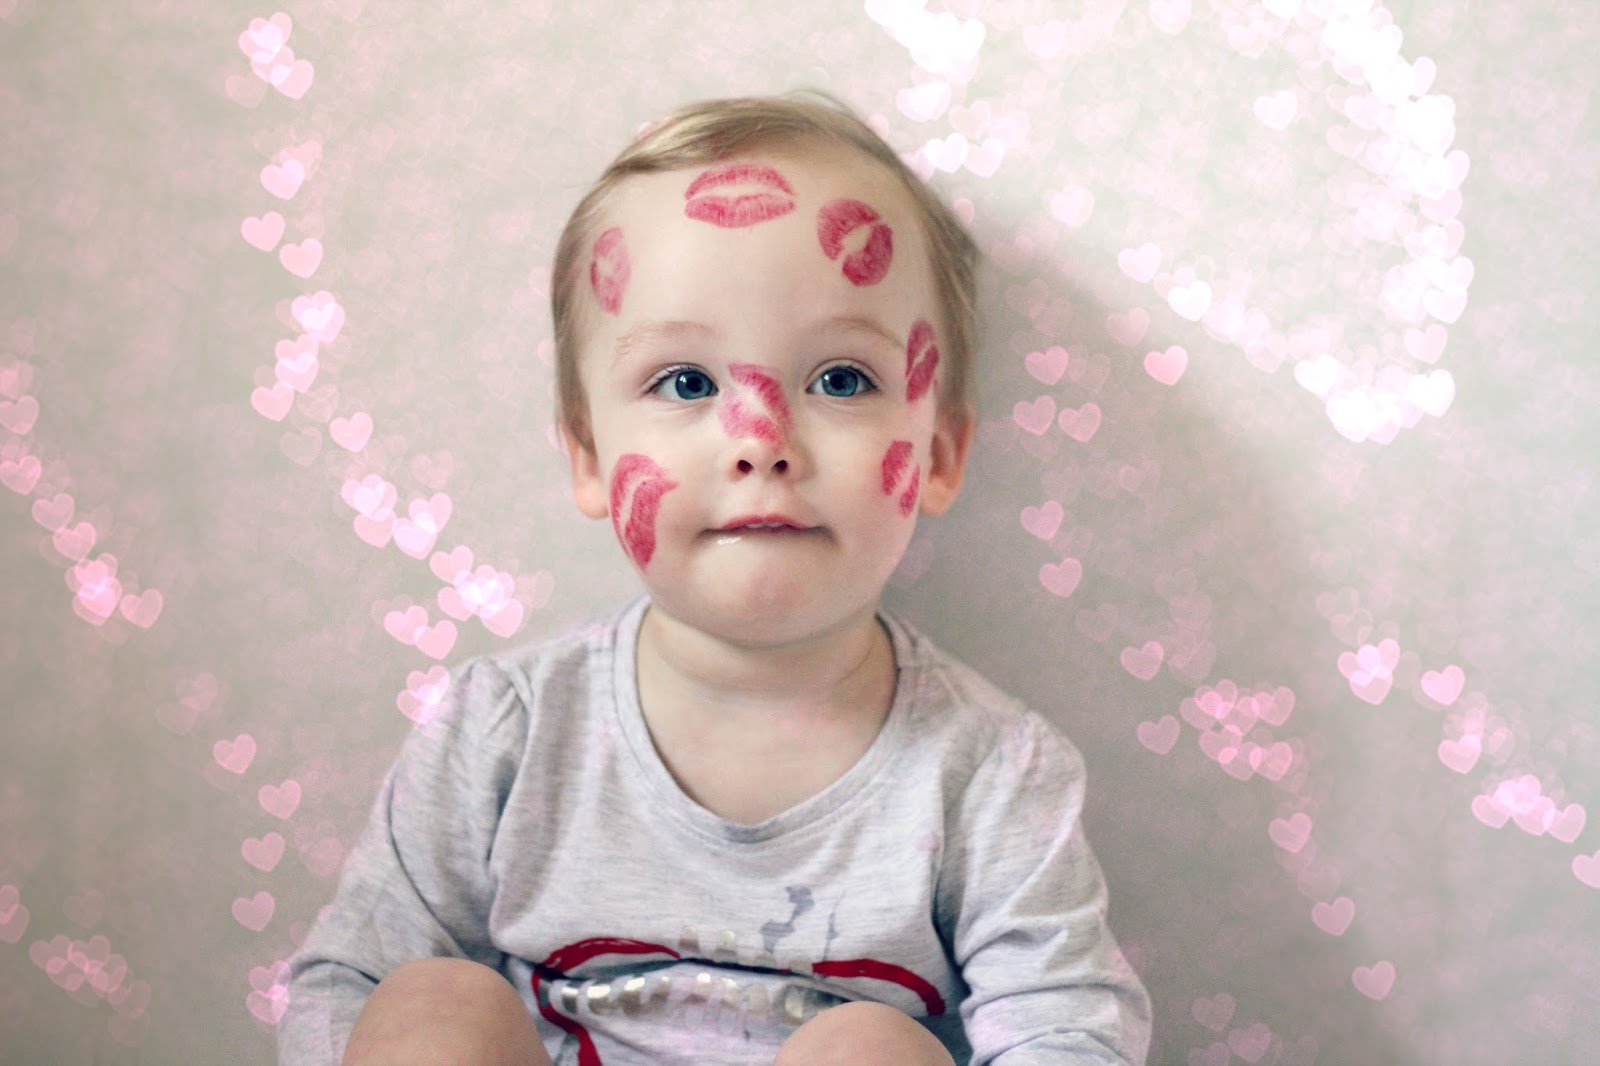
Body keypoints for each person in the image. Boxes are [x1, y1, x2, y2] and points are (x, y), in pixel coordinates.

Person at [278, 92, 1152, 1066]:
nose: (760, 440)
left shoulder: (989, 771)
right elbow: (342, 981)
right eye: (686, 383)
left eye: (841, 379)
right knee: (425, 1000)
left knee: (869, 1046)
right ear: (588, 456)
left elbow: (1068, 1030)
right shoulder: (507, 732)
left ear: (939, 455)